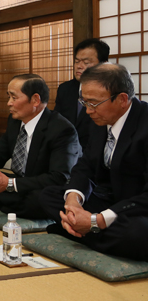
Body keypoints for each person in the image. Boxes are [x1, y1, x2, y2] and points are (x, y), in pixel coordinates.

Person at [40, 63, 148, 261]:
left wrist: (96, 221)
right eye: (84, 102)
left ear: (122, 99)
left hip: (137, 207)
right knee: (49, 195)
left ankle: (77, 232)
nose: (88, 111)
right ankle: (85, 230)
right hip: (110, 200)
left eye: (93, 103)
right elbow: (85, 166)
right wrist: (73, 201)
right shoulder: (101, 119)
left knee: (138, 234)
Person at [0, 74, 81, 218]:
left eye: (14, 98)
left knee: (40, 199)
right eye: (9, 97)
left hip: (41, 185)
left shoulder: (62, 129)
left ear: (35, 100)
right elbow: (0, 152)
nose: (9, 103)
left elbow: (59, 177)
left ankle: (3, 203)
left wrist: (10, 184)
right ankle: (13, 206)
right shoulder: (15, 120)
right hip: (20, 181)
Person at [54, 38, 110, 150]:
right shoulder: (65, 89)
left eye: (86, 62)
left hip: (96, 153)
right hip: (65, 151)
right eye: (76, 61)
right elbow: (57, 122)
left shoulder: (110, 91)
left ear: (103, 64)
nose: (79, 66)